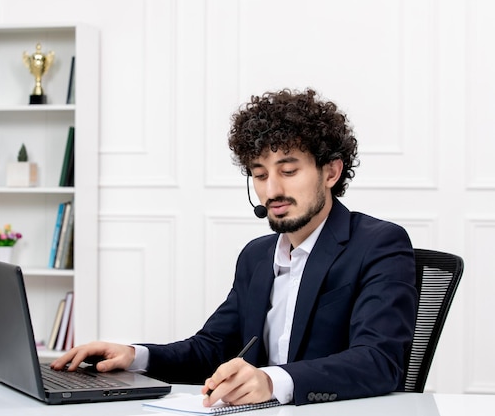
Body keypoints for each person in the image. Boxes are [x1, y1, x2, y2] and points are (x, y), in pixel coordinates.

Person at [51, 88, 418, 406]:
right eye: (259, 175)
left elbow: (378, 360)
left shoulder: (379, 244)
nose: (271, 190)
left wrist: (273, 381)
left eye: (288, 171)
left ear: (331, 172)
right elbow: (212, 347)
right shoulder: (257, 256)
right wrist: (135, 356)